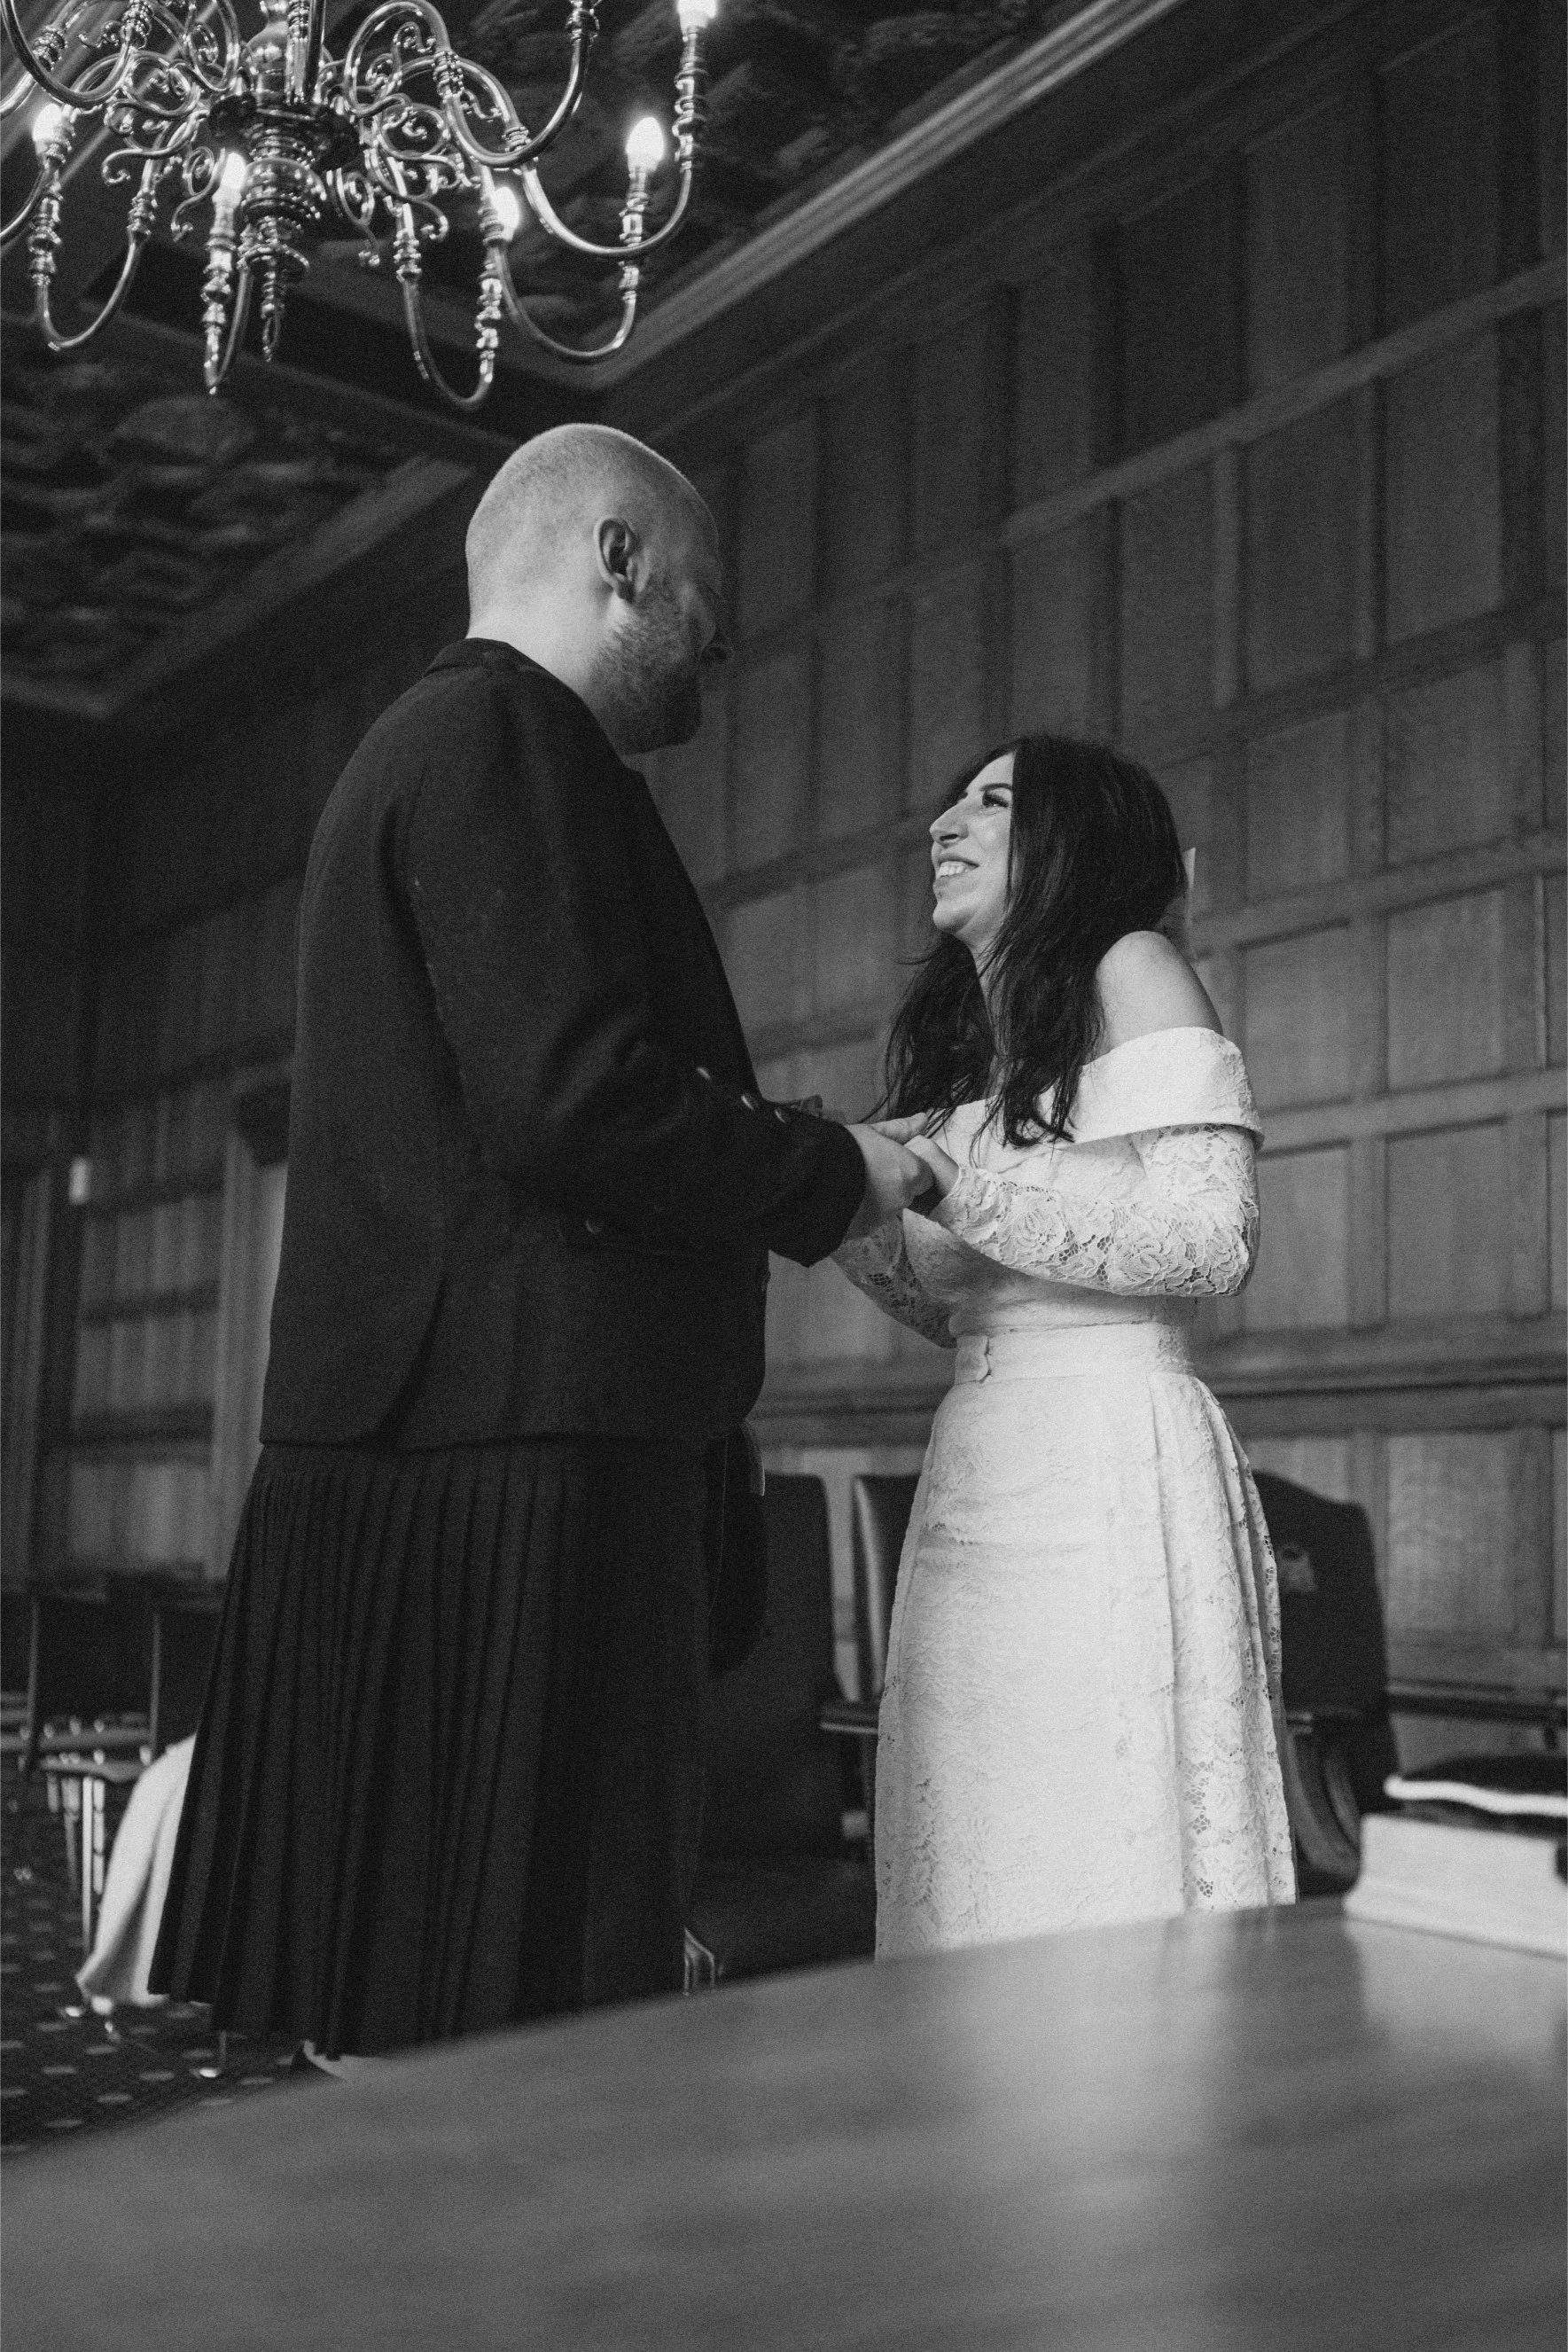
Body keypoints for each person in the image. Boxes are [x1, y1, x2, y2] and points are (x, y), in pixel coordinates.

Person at [151, 424, 928, 2056]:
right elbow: (575, 1101)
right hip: (514, 1456)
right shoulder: (512, 739)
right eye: (711, 601)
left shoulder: (427, 745)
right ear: (619, 555)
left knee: (410, 1997)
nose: (728, 641)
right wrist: (829, 1167)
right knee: (519, 2011)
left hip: (433, 1440)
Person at [835, 735, 1296, 1956]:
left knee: (1106, 1830)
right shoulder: (960, 1043)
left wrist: (950, 1189)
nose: (945, 824)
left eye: (992, 803)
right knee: (970, 1837)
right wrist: (851, 1213)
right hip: (980, 1458)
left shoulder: (1134, 966)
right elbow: (964, 1304)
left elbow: (1208, 1243)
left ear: (1074, 843)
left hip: (1110, 1456)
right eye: (950, 801)